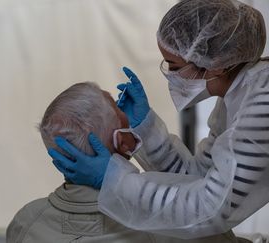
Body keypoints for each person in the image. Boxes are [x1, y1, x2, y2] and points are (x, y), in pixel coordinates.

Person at [49, 0, 269, 239]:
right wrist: (145, 130)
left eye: (174, 66)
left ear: (215, 66)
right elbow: (201, 177)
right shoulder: (237, 96)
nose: (170, 75)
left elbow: (209, 209)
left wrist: (112, 179)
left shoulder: (262, 103)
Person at [7, 82, 244, 243]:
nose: (131, 122)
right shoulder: (169, 226)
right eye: (123, 118)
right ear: (121, 140)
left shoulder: (26, 222)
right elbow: (216, 229)